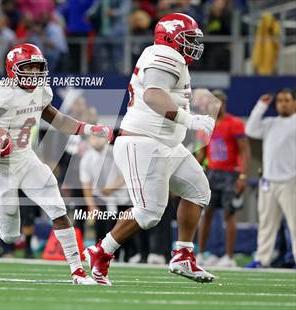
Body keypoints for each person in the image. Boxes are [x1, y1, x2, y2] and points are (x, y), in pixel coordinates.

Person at [0, 43, 112, 284]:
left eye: (37, 68)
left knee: (58, 210)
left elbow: (57, 119)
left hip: (27, 157)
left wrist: (87, 128)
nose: (33, 74)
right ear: (13, 70)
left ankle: (77, 271)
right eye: (27, 68)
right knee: (9, 236)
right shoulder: (1, 92)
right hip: (0, 165)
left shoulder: (42, 90)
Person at [83, 13, 216, 285]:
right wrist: (190, 120)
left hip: (166, 143)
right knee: (149, 213)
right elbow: (153, 95)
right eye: (187, 39)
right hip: (143, 142)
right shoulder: (163, 54)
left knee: (198, 190)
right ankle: (100, 252)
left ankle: (183, 255)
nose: (193, 44)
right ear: (170, 38)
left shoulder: (170, 58)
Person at [196, 90, 251, 267]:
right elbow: (201, 153)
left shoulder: (234, 123)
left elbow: (244, 151)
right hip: (212, 172)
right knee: (206, 214)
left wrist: (242, 175)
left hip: (230, 174)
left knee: (230, 215)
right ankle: (201, 254)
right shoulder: (205, 125)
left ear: (224, 104)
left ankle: (229, 256)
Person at [245, 90, 296, 268]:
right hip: (268, 181)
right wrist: (261, 105)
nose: (283, 103)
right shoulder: (269, 123)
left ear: (294, 103)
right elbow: (250, 129)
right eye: (280, 100)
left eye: (287, 100)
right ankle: (262, 259)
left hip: (291, 181)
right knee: (266, 224)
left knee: (295, 224)